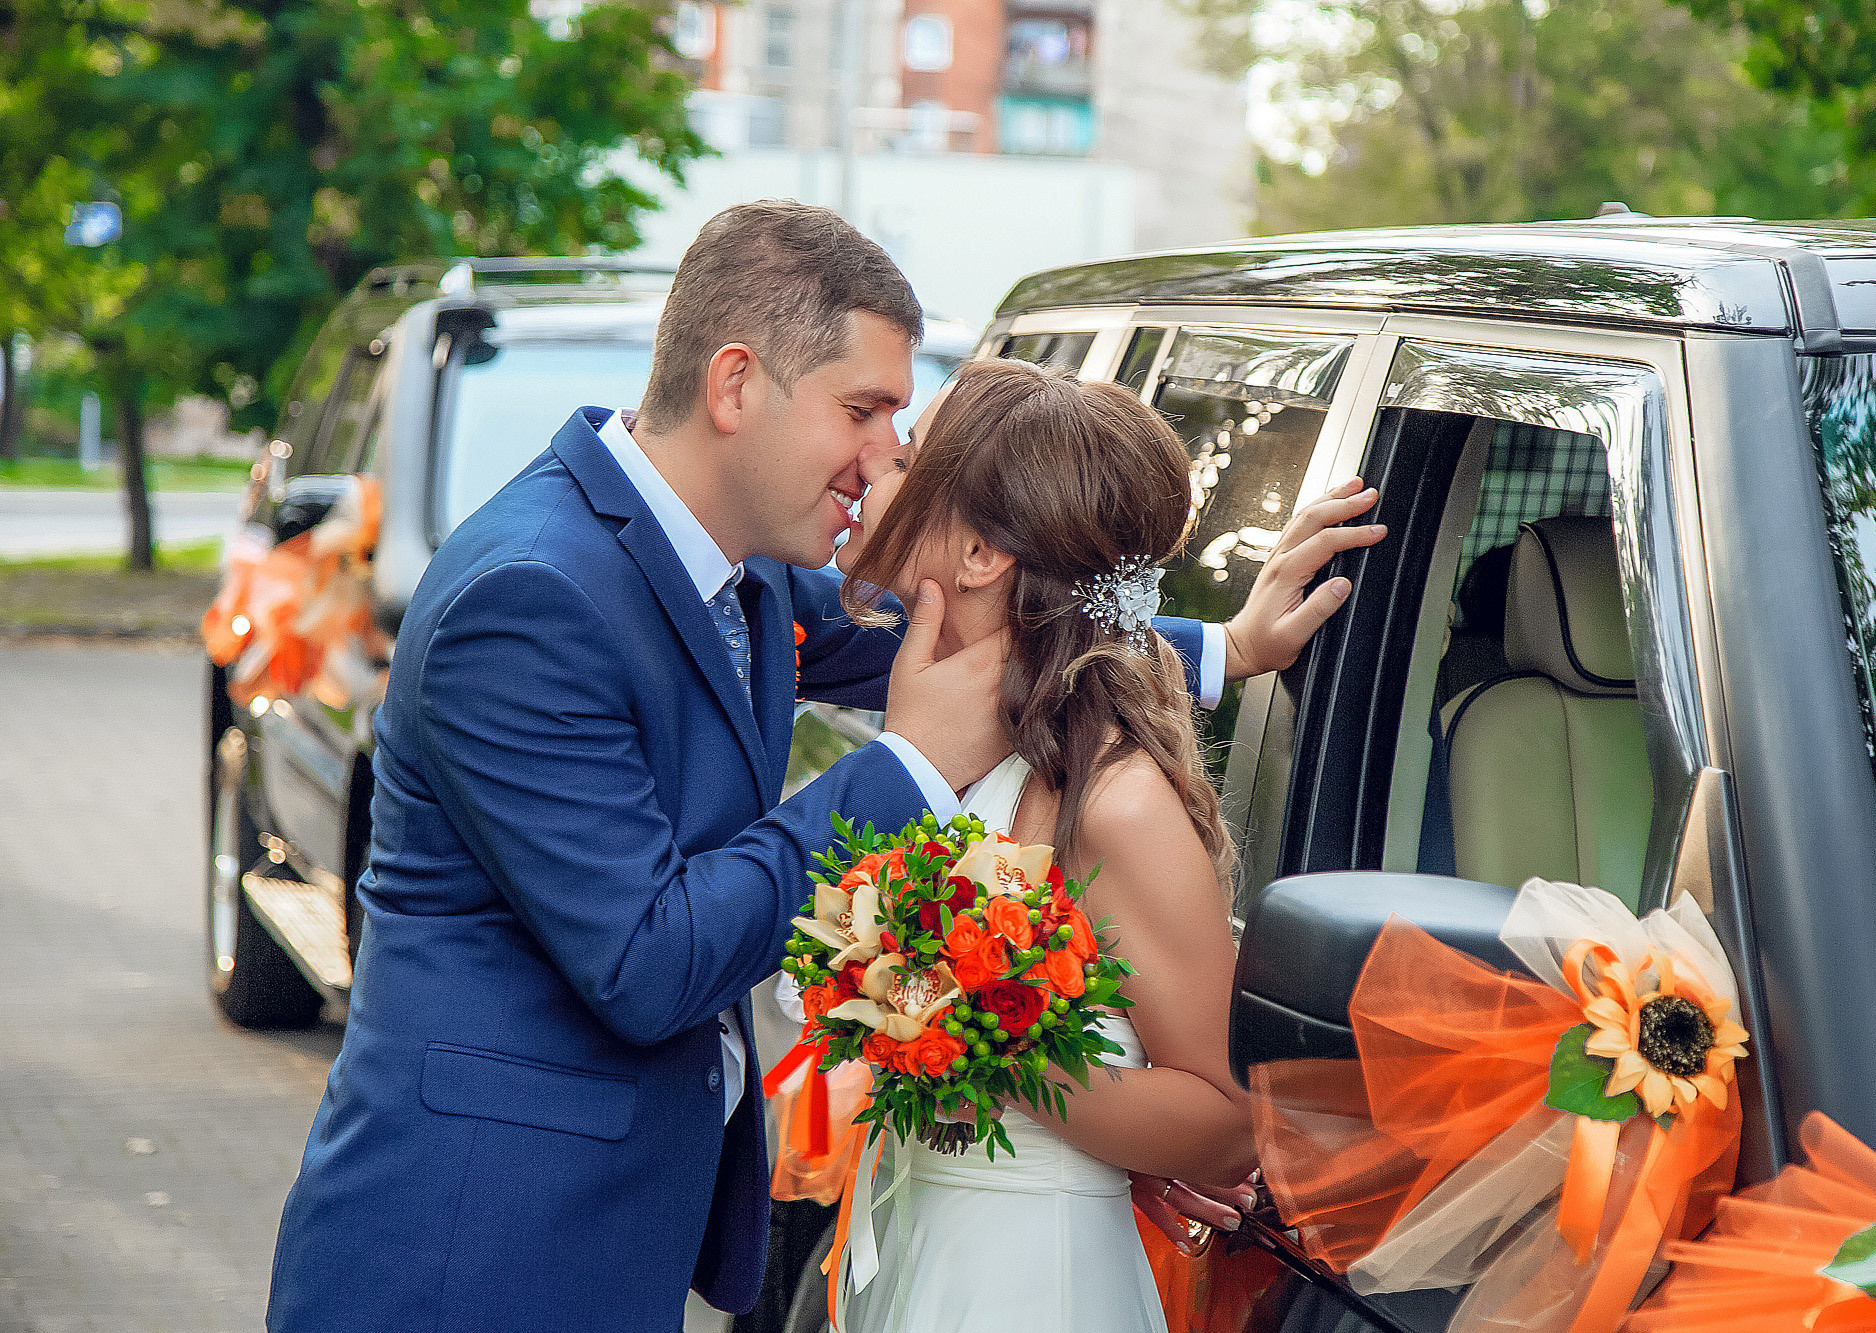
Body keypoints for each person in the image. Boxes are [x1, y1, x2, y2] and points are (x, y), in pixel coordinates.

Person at [266, 200, 1375, 1333]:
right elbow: (647, 962)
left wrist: (1221, 646)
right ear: (736, 384)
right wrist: (903, 768)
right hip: (471, 1250)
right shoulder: (530, 597)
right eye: (864, 410)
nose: (884, 454)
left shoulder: (730, 569)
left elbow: (993, 632)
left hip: (618, 1236)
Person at [824, 357, 1379, 1333]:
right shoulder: (944, 739)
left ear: (983, 555)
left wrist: (984, 1046)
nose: (875, 466)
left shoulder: (1114, 803)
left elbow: (1220, 1120)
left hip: (1029, 1284)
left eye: (908, 456)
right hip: (924, 1243)